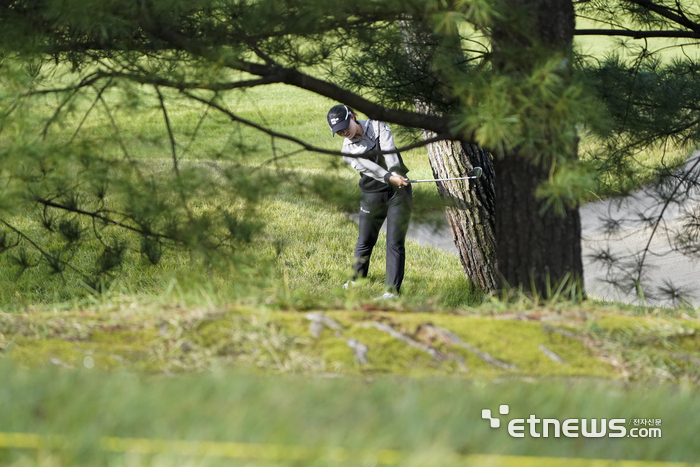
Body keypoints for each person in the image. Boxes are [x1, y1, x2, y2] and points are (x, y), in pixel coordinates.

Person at [327, 104, 413, 300]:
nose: (343, 132)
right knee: (365, 241)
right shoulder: (347, 151)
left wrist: (397, 173)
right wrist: (390, 177)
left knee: (395, 243)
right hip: (372, 195)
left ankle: (391, 293)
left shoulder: (377, 125)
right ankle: (356, 279)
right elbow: (372, 169)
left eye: (344, 126)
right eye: (338, 131)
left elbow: (390, 151)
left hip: (399, 193)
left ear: (352, 116)